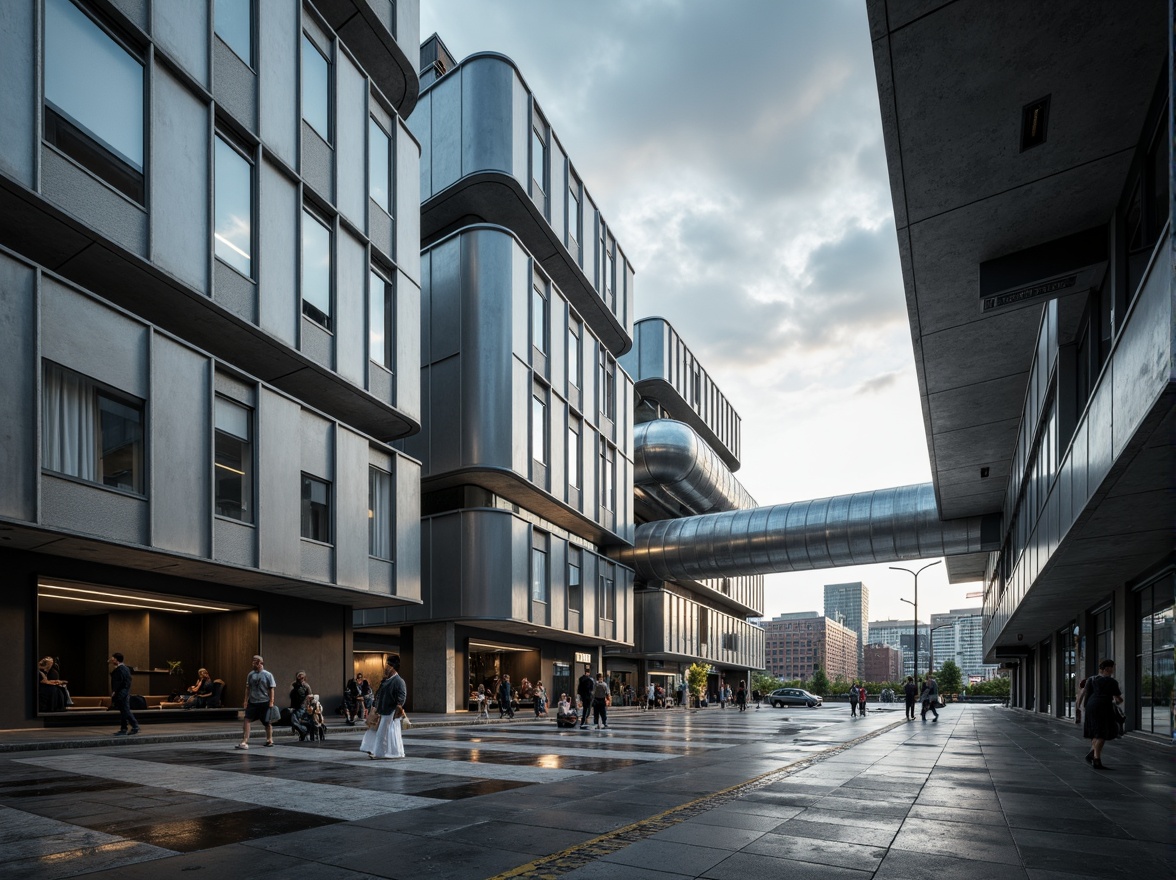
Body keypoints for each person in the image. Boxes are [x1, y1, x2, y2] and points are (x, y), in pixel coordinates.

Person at [360, 656, 407, 759]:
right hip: (381, 710)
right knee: (375, 730)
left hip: (390, 711)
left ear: (393, 667)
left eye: (388, 665)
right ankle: (370, 748)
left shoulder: (398, 681)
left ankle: (380, 753)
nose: (386, 667)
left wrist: (397, 709)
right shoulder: (387, 680)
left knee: (382, 733)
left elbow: (402, 697)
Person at [1082, 659, 1124, 769]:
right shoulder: (1111, 682)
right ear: (1107, 669)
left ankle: (1093, 754)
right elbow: (1118, 699)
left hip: (1091, 706)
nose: (1113, 670)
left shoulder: (1091, 679)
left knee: (1095, 731)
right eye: (1112, 667)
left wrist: (1084, 707)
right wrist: (1117, 701)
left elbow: (1087, 694)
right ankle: (1096, 759)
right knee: (1102, 732)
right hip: (1103, 706)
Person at [237, 654, 276, 749]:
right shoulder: (251, 674)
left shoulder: (268, 674)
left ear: (260, 663)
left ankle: (269, 739)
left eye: (255, 661)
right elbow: (248, 688)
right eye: (253, 661)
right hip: (253, 701)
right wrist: (245, 700)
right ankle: (245, 740)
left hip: (264, 701)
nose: (253, 663)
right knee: (247, 719)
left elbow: (271, 689)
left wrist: (271, 701)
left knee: (267, 722)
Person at [109, 652, 139, 736]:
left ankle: (134, 725)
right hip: (124, 692)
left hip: (121, 692)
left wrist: (115, 691)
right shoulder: (125, 668)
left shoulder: (120, 669)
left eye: (113, 658)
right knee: (123, 711)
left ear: (116, 659)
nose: (111, 660)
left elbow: (118, 682)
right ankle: (124, 728)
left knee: (125, 710)